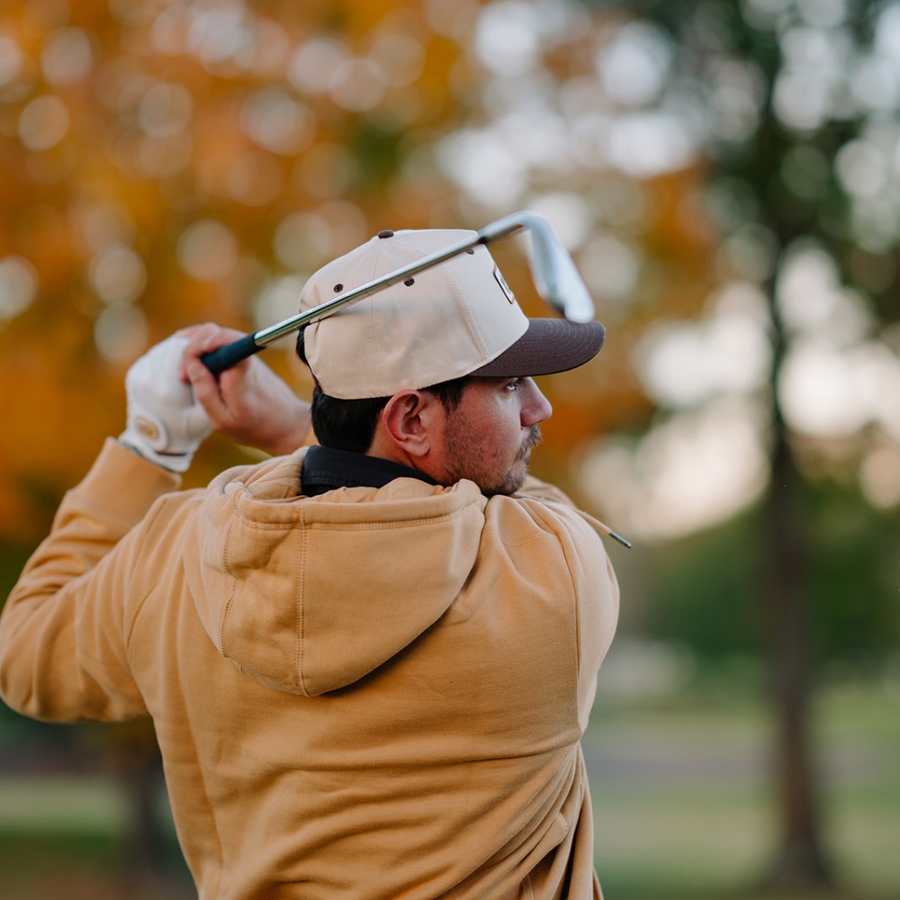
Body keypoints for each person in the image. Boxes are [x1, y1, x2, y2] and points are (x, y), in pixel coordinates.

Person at [0, 226, 620, 900]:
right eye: (507, 385)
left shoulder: (178, 551)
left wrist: (147, 444)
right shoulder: (552, 569)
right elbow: (517, 495)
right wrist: (285, 422)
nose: (540, 406)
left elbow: (25, 653)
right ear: (410, 420)